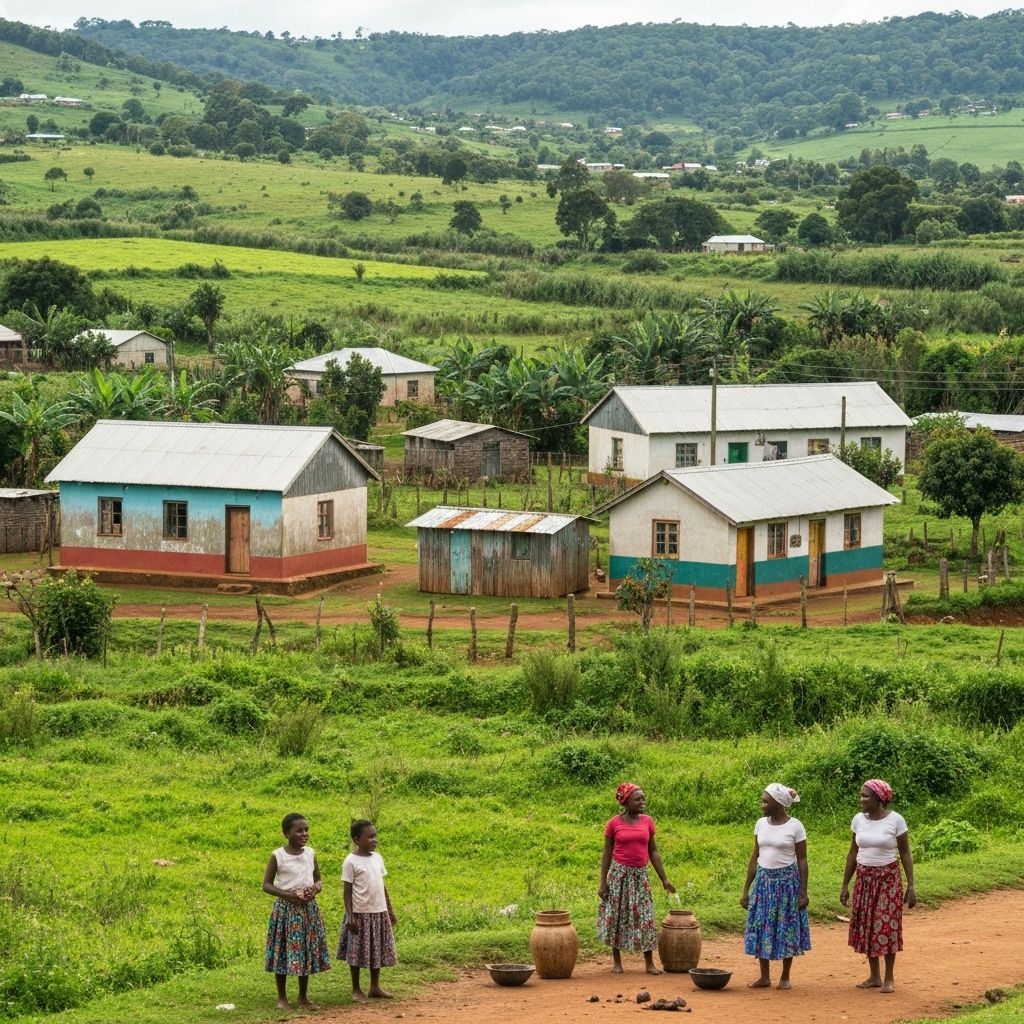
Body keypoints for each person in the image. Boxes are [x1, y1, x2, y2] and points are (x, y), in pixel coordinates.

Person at [840, 779, 916, 993]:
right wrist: (845, 884)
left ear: (879, 799)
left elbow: (905, 853)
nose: (861, 800)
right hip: (864, 879)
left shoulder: (896, 821)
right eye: (861, 795)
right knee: (867, 925)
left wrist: (911, 885)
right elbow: (853, 853)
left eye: (865, 796)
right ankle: (874, 976)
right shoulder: (858, 820)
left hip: (888, 879)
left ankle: (889, 978)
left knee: (886, 925)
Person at [597, 783, 676, 974]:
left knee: (646, 917)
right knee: (616, 916)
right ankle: (617, 962)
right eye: (638, 799)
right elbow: (606, 854)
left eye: (643, 798)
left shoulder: (647, 822)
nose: (642, 802)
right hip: (619, 876)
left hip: (640, 876)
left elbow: (653, 851)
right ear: (626, 802)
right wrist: (603, 882)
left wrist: (664, 879)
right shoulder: (613, 824)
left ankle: (649, 963)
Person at [740, 783, 811, 990]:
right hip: (763, 883)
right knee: (761, 925)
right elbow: (755, 857)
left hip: (787, 883)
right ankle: (764, 977)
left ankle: (785, 976)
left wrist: (803, 892)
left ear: (779, 803)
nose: (762, 804)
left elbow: (803, 860)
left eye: (765, 801)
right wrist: (746, 889)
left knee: (787, 926)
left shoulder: (795, 826)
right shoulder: (760, 824)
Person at [262, 812, 330, 1012]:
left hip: (308, 909)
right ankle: (282, 997)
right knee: (282, 952)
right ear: (287, 834)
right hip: (286, 911)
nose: (304, 834)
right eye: (299, 830)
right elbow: (266, 885)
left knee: (305, 952)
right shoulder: (278, 855)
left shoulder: (310, 853)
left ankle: (303, 996)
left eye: (306, 830)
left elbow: (318, 879)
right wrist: (287, 895)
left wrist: (315, 889)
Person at [339, 820, 398, 1003]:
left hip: (378, 912)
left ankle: (375, 987)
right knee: (356, 953)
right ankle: (356, 989)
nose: (375, 840)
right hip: (359, 913)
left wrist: (389, 910)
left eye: (375, 836)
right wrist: (350, 915)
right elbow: (347, 892)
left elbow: (383, 885)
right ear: (357, 839)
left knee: (376, 950)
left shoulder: (377, 857)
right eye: (370, 836)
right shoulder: (350, 861)